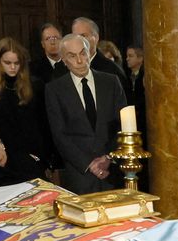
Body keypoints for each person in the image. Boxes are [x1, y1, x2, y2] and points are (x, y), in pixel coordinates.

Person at [44, 32, 126, 193]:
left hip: (113, 172)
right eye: (72, 56)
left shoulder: (111, 82)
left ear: (89, 53)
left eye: (83, 53)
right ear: (64, 60)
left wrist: (109, 157)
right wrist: (89, 164)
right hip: (79, 175)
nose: (80, 61)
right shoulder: (55, 90)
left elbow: (122, 124)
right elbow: (59, 135)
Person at [0, 38, 53, 186]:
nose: (12, 67)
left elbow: (43, 125)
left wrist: (44, 158)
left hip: (31, 159)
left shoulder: (35, 86)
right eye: (7, 63)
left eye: (17, 63)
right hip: (1, 160)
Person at [72, 16, 130, 101]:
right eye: (75, 37)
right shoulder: (64, 69)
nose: (78, 41)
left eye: (83, 36)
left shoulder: (112, 71)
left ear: (96, 38)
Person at [125, 44, 147, 139]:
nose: (127, 59)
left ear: (140, 58)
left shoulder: (145, 76)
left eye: (130, 56)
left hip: (143, 120)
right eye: (127, 56)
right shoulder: (126, 77)